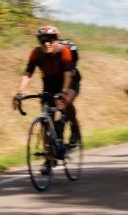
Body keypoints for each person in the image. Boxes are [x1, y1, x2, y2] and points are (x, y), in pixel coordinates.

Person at [14, 25, 81, 169]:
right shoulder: (36, 54)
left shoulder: (64, 51)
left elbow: (68, 73)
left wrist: (63, 92)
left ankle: (74, 127)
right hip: (49, 85)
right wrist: (19, 92)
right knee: (46, 119)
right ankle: (49, 158)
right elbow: (28, 73)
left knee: (66, 102)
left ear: (56, 40)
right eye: (43, 41)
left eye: (50, 40)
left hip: (69, 83)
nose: (47, 43)